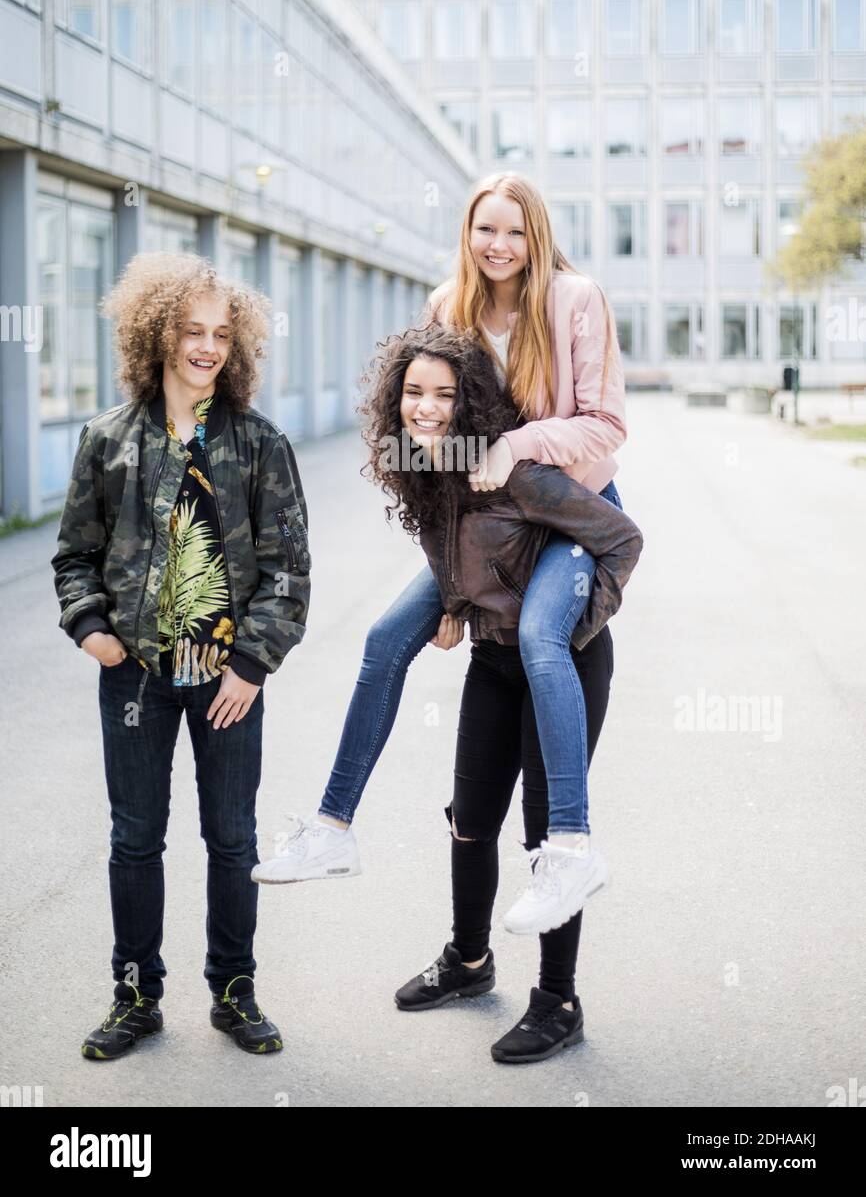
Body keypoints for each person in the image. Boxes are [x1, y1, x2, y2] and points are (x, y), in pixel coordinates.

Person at [254, 171, 628, 887]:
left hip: (566, 510)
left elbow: (607, 424)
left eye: (516, 230)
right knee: (385, 638)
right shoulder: (447, 307)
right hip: (485, 521)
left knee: (540, 639)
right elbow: (434, 465)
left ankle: (572, 850)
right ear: (467, 233)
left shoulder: (575, 300)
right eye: (486, 228)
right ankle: (333, 828)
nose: (500, 243)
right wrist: (454, 594)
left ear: (538, 235)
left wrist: (519, 445)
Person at [50, 252, 311, 1060]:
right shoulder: (107, 441)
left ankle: (234, 991)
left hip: (228, 680)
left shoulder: (260, 444)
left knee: (233, 839)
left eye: (222, 335)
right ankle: (135, 997)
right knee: (135, 840)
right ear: (157, 333)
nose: (206, 347)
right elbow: (73, 557)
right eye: (192, 331)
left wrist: (252, 664)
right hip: (134, 680)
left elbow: (288, 570)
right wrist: (90, 629)